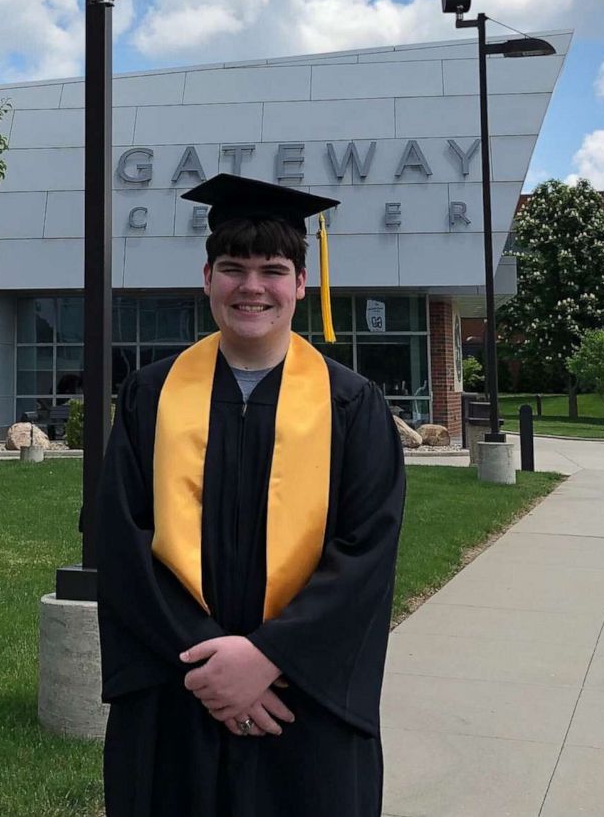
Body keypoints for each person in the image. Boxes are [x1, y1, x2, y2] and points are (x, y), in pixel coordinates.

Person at [97, 172, 407, 816]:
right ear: (207, 278)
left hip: (300, 702)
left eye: (272, 268)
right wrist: (210, 668)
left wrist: (269, 657)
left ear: (300, 282)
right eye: (233, 268)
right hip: (178, 687)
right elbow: (121, 543)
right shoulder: (149, 398)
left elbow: (366, 554)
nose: (252, 287)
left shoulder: (351, 405)